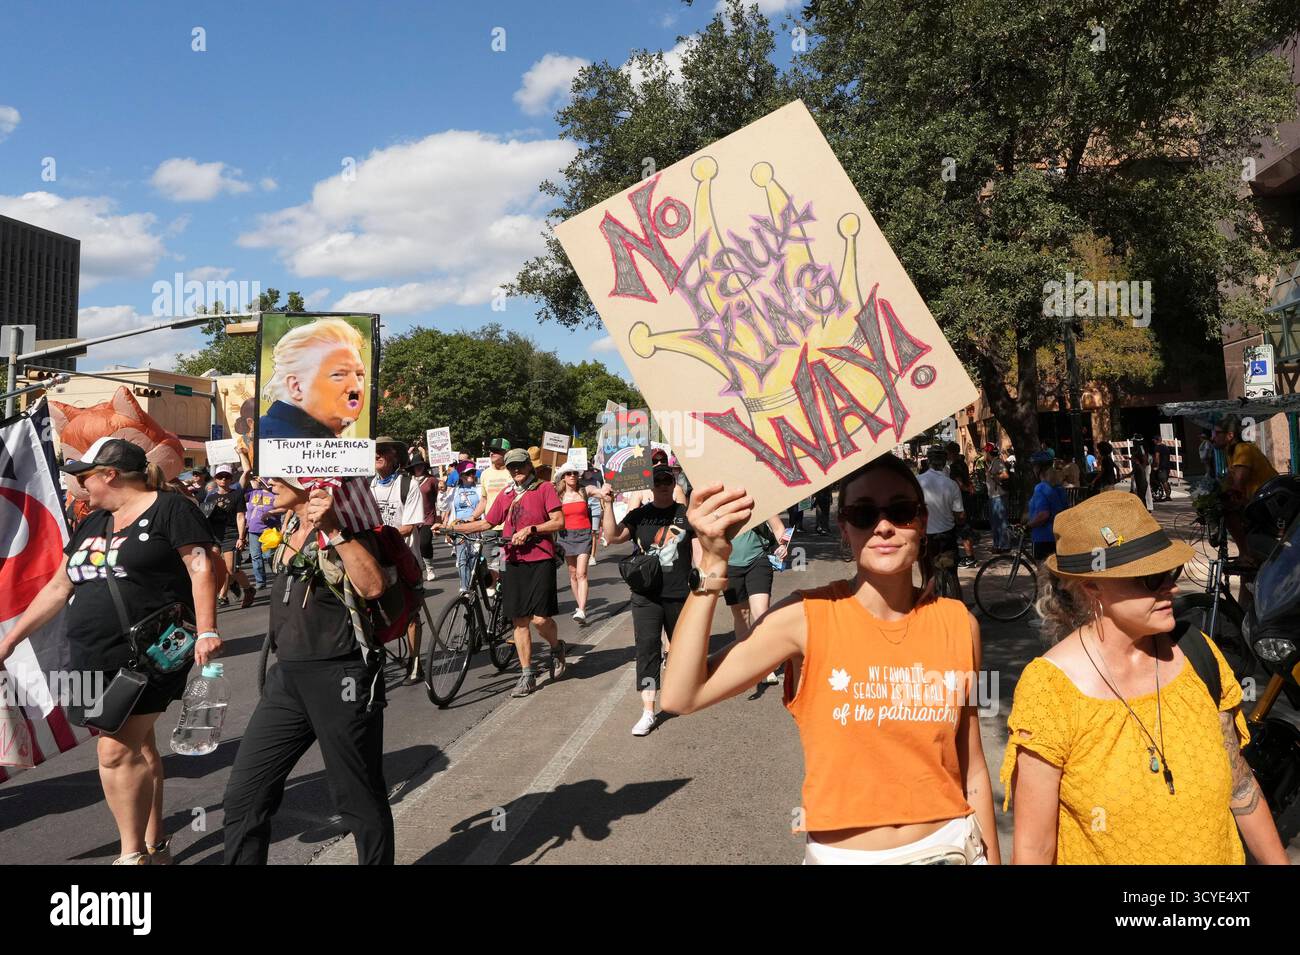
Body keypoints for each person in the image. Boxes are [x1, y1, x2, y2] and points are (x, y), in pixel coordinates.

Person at [661, 455, 999, 864]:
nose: (884, 525)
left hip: (951, 847)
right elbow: (680, 695)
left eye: (901, 510)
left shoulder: (959, 623)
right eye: (862, 513)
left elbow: (973, 765)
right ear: (845, 528)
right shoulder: (805, 617)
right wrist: (713, 562)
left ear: (922, 521)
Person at [1002, 492, 1289, 864]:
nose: (1170, 587)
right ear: (1092, 587)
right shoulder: (1050, 690)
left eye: (1171, 573)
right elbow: (1034, 850)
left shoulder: (1196, 652)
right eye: (1151, 578)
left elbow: (1241, 786)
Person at [0, 438, 223, 865]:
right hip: (90, 654)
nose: (79, 484)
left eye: (85, 476)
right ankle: (156, 844)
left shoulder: (171, 509)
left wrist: (209, 628)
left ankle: (131, 854)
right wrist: (10, 641)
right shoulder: (96, 521)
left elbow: (201, 566)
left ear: (110, 475)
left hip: (150, 653)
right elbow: (60, 586)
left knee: (115, 750)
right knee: (139, 747)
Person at [222, 477, 395, 865]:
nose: (267, 485)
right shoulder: (286, 526)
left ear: (307, 485)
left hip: (341, 675)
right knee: (244, 796)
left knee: (357, 797)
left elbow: (373, 587)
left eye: (277, 479)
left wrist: (333, 530)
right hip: (287, 678)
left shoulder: (347, 528)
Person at [442, 448, 567, 697]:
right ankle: (527, 674)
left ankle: (555, 647)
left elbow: (558, 521)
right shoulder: (506, 493)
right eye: (512, 467)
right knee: (520, 620)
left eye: (520, 465)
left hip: (540, 557)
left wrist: (531, 530)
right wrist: (452, 527)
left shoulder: (544, 489)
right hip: (512, 559)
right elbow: (488, 522)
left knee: (540, 619)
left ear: (529, 466)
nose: (516, 470)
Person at [599, 464, 698, 736]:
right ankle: (648, 711)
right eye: (658, 480)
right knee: (647, 650)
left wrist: (703, 580)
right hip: (646, 595)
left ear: (674, 481)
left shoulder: (685, 514)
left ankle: (684, 693)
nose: (663, 484)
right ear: (651, 485)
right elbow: (613, 536)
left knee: (681, 650)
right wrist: (607, 505)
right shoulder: (641, 514)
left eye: (668, 479)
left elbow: (703, 544)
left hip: (679, 593)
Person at [369, 437, 424, 683]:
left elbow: (409, 527)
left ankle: (415, 661)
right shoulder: (368, 486)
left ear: (394, 456)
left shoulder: (408, 484)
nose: (377, 454)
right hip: (376, 560)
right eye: (374, 451)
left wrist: (378, 535)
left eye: (383, 450)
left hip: (404, 560)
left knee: (411, 614)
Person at [258, 318, 367, 439]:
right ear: (296, 387)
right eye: (338, 375)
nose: (356, 387)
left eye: (359, 374)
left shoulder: (312, 436)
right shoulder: (281, 440)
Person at [724, 513, 789, 690]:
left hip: (758, 561)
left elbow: (779, 528)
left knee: (761, 613)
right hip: (729, 564)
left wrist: (783, 546)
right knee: (742, 614)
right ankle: (746, 661)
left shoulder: (757, 502)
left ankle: (765, 665)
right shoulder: (720, 505)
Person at [1212, 414, 1279, 558]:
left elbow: (1237, 485)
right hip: (1258, 503)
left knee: (1229, 512)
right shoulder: (1231, 453)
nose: (1213, 437)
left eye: (1217, 433)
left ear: (1230, 435)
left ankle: (1245, 555)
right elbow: (1229, 483)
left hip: (1270, 504)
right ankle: (1247, 559)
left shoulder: (1242, 450)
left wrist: (1223, 497)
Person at [468, 438, 515, 590]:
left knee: (504, 566)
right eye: (491, 450)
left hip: (508, 527)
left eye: (496, 451)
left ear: (506, 453)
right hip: (489, 527)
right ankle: (494, 595)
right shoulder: (485, 474)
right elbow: (484, 500)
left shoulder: (513, 472)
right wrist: (473, 517)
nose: (492, 453)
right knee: (488, 565)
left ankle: (505, 595)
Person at [918, 445, 965, 596]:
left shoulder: (918, 481)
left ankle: (932, 606)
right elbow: (960, 516)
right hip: (947, 536)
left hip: (927, 538)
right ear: (944, 462)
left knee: (929, 575)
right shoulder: (952, 485)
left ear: (928, 461)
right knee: (952, 574)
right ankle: (960, 609)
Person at [206, 464, 255, 609]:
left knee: (232, 568)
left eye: (226, 476)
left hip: (231, 534)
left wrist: (241, 537)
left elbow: (240, 516)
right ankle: (218, 595)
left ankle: (248, 589)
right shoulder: (211, 496)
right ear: (215, 478)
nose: (223, 479)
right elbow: (205, 516)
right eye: (220, 476)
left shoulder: (236, 494)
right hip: (215, 536)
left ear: (231, 478)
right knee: (214, 568)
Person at [555, 464, 598, 625]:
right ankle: (579, 605)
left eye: (575, 473)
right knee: (573, 574)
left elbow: (597, 491)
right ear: (564, 477)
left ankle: (582, 609)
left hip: (584, 535)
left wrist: (605, 490)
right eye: (569, 473)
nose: (572, 476)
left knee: (582, 573)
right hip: (565, 536)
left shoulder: (584, 491)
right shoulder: (557, 496)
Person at [443, 468, 482, 592]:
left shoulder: (479, 488)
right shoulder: (455, 490)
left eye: (473, 473)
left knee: (474, 558)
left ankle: (473, 582)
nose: (471, 475)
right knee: (461, 559)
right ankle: (464, 587)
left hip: (476, 526)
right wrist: (441, 492)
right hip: (459, 527)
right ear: (461, 476)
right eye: (468, 473)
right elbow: (443, 505)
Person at [1026, 452, 1068, 560]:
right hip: (1058, 537)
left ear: (1038, 468)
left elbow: (1043, 515)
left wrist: (1028, 526)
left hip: (1042, 538)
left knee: (1043, 575)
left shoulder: (1040, 488)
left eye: (1034, 466)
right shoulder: (1059, 487)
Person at [244, 473, 282, 589]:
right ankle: (260, 582)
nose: (257, 481)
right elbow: (241, 490)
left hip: (268, 529)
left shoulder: (275, 494)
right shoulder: (253, 493)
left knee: (269, 556)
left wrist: (271, 513)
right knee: (255, 556)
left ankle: (278, 579)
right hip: (253, 530)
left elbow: (284, 508)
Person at [946, 442, 977, 568]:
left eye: (947, 452)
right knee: (964, 528)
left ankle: (970, 557)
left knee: (963, 528)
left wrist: (966, 489)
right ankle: (969, 556)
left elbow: (959, 483)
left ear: (951, 452)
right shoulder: (962, 463)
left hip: (961, 499)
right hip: (965, 499)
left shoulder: (955, 466)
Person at [411, 459, 439, 582]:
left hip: (428, 517)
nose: (418, 468)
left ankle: (429, 567)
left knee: (424, 543)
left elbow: (439, 498)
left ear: (424, 466)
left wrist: (439, 518)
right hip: (413, 517)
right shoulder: (409, 480)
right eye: (416, 466)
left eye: (420, 465)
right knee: (414, 546)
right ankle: (417, 569)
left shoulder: (432, 480)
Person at [983, 442, 1009, 553]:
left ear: (988, 452)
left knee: (1000, 521)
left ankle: (1004, 546)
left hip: (998, 496)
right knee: (995, 522)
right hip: (993, 496)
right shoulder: (992, 463)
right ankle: (997, 545)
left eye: (985, 452)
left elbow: (1005, 475)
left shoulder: (998, 462)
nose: (984, 454)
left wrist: (992, 476)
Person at [580, 466, 605, 564]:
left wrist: (603, 508)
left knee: (593, 532)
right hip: (584, 509)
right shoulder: (579, 482)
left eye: (590, 470)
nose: (589, 472)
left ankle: (592, 556)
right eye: (587, 470)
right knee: (584, 532)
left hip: (595, 508)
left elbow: (601, 496)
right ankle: (584, 553)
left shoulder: (597, 481)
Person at [1129, 433, 1152, 511]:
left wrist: (1142, 468)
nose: (1133, 442)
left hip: (1143, 468)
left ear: (1137, 441)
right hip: (1140, 467)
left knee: (1145, 485)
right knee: (1137, 486)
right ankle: (1141, 505)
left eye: (1134, 441)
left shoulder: (1141, 447)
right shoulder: (1137, 447)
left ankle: (1148, 506)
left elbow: (1144, 458)